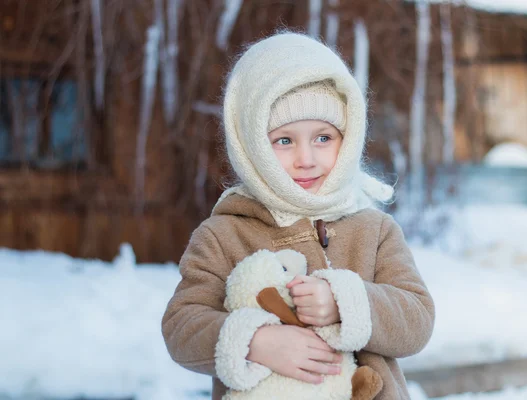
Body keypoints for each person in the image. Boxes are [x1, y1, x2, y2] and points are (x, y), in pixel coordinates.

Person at [161, 32, 435, 400]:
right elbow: (181, 326)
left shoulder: (375, 230)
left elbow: (417, 319)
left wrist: (345, 303)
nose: (306, 158)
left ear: (348, 137)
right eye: (284, 141)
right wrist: (254, 340)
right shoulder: (224, 235)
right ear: (253, 147)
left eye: (323, 137)